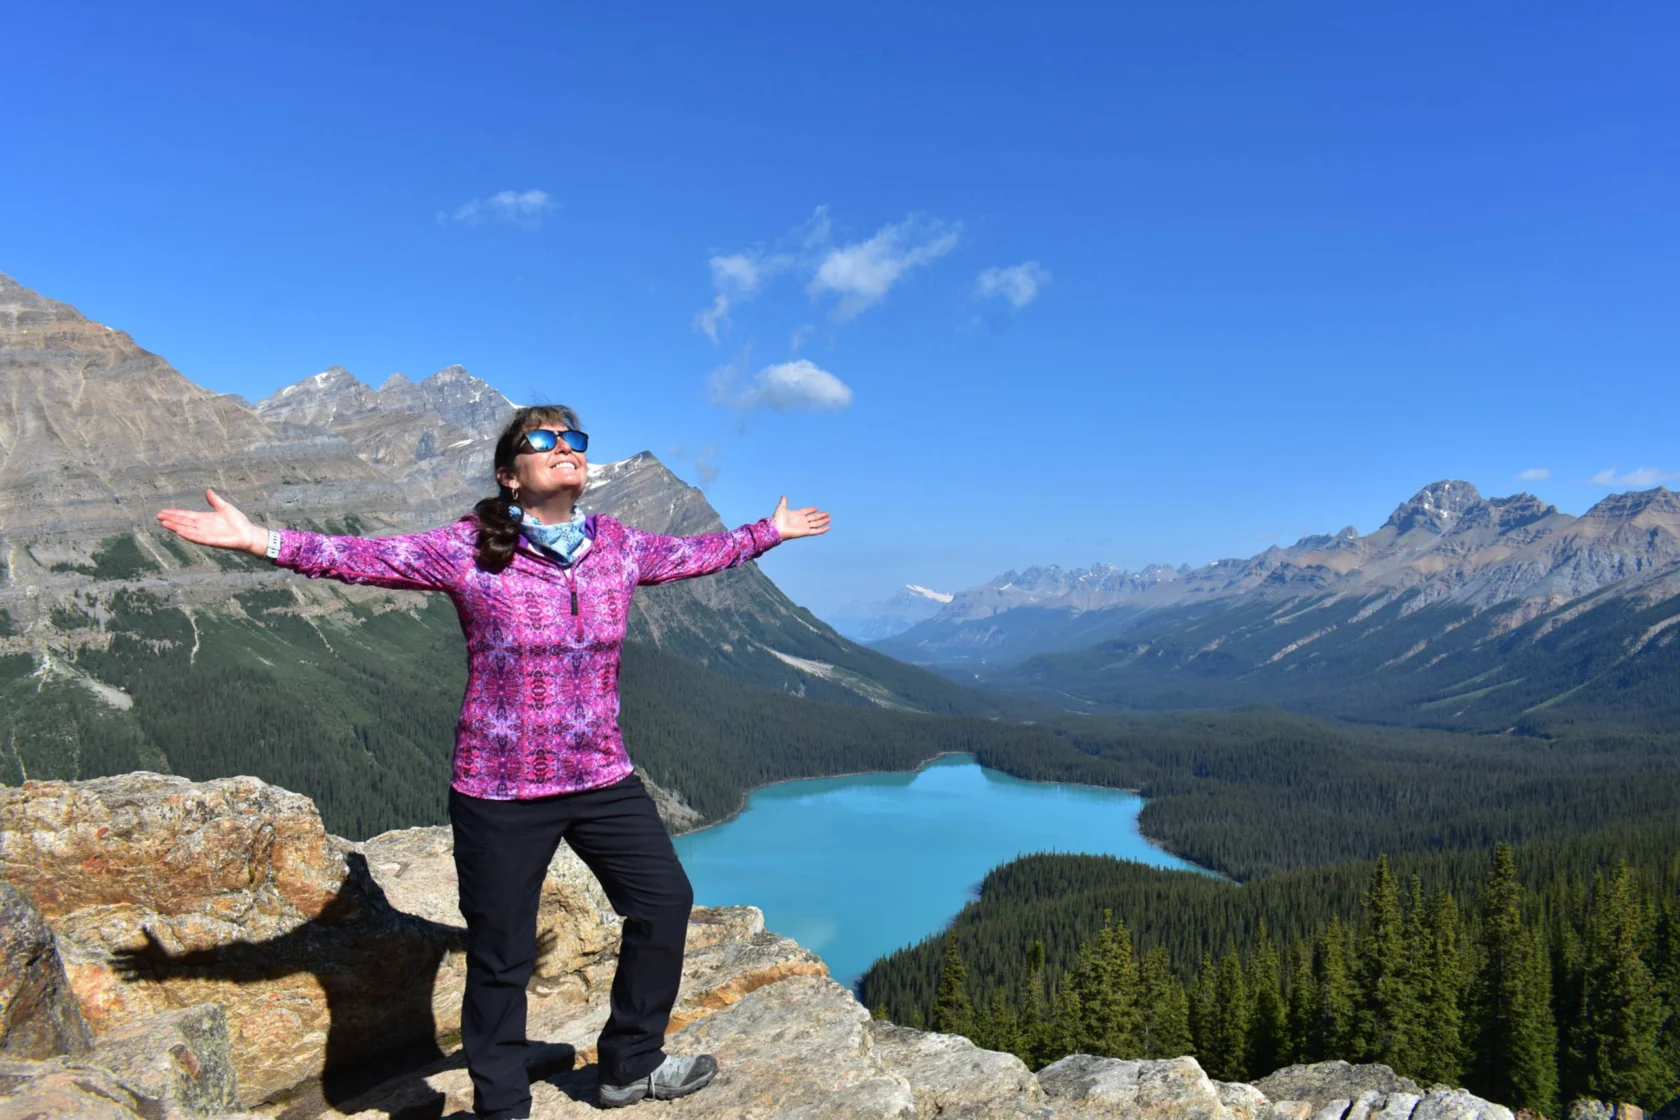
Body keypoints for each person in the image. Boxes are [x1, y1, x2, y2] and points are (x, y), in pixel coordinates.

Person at [157, 404, 831, 1117]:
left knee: (665, 904)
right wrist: (257, 539)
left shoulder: (619, 545)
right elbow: (364, 559)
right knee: (502, 955)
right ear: (511, 475)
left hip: (602, 775)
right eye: (544, 440)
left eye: (575, 439)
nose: (565, 447)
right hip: (499, 789)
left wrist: (770, 533)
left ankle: (630, 1063)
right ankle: (502, 1105)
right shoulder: (469, 547)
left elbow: (698, 556)